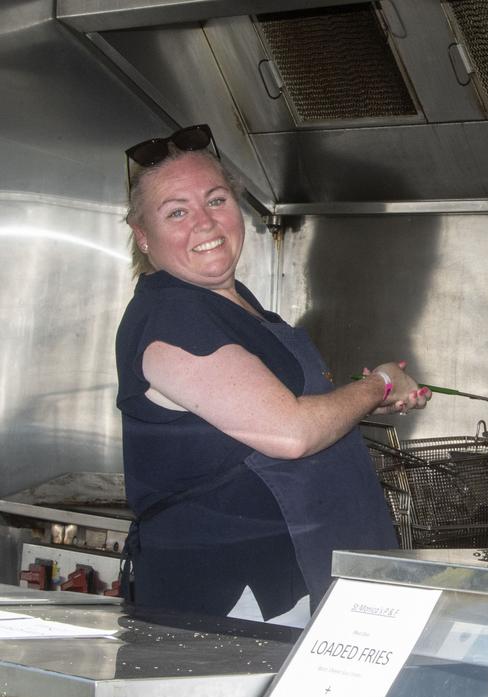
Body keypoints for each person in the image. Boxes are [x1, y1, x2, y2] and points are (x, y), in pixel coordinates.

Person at [115, 124, 430, 625]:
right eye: (176, 211)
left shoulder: (235, 305)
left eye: (215, 200)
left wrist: (359, 400)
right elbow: (288, 432)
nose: (204, 223)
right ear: (143, 236)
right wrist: (377, 385)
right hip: (235, 604)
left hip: (297, 586)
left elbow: (276, 411)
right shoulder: (173, 315)